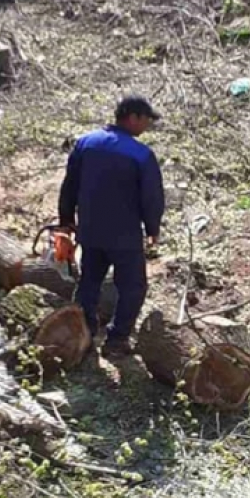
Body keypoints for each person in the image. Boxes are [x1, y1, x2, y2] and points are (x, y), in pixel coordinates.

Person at [57, 94, 165, 357]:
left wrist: (66, 221)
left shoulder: (86, 143)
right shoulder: (140, 155)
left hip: (90, 230)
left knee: (89, 282)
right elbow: (151, 197)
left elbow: (69, 185)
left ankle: (84, 333)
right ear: (133, 117)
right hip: (124, 235)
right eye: (146, 120)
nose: (147, 127)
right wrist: (153, 229)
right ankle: (117, 340)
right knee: (133, 286)